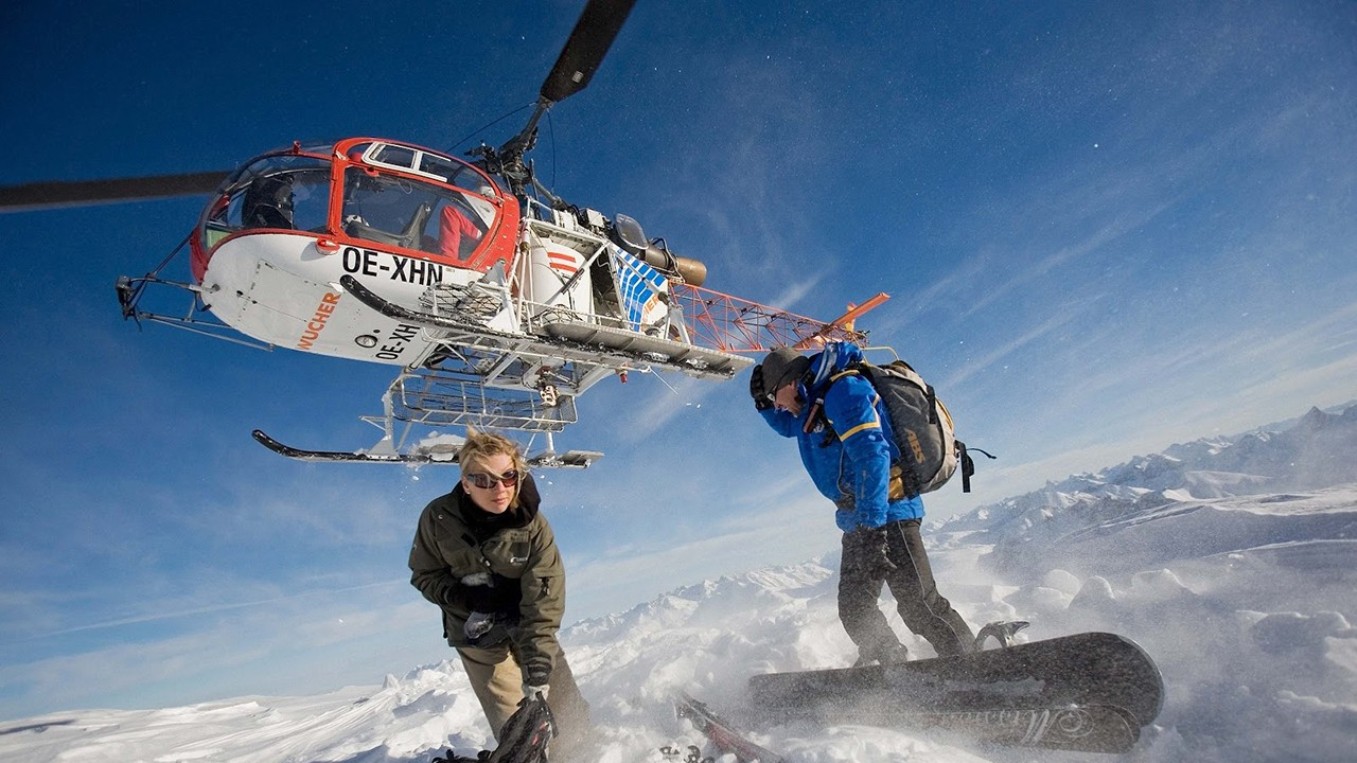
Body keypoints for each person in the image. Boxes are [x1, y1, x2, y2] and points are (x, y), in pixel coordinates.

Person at [750, 341, 975, 663]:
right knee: (855, 610)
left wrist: (873, 525)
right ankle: (893, 666)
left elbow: (873, 455)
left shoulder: (843, 391)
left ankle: (973, 665)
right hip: (859, 520)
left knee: (919, 605)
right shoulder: (811, 401)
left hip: (889, 512)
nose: (779, 407)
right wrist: (763, 404)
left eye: (776, 398)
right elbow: (788, 425)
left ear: (789, 382)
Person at [409, 428, 590, 756]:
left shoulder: (533, 524)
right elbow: (424, 574)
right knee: (519, 734)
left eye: (508, 476)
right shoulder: (437, 519)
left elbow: (544, 598)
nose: (500, 489)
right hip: (478, 637)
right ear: (466, 483)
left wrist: (538, 666)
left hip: (528, 624)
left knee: (569, 716)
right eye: (484, 480)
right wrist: (463, 597)